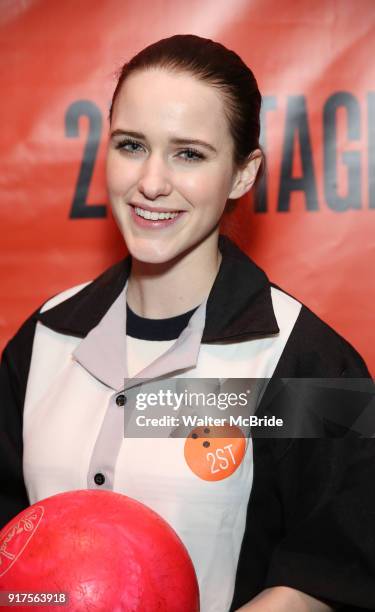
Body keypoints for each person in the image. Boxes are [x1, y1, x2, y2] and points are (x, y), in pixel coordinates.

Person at [1, 34, 374, 612]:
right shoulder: (44, 338)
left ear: (244, 174)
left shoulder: (312, 362)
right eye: (131, 145)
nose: (151, 182)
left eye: (189, 154)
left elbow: (335, 568)